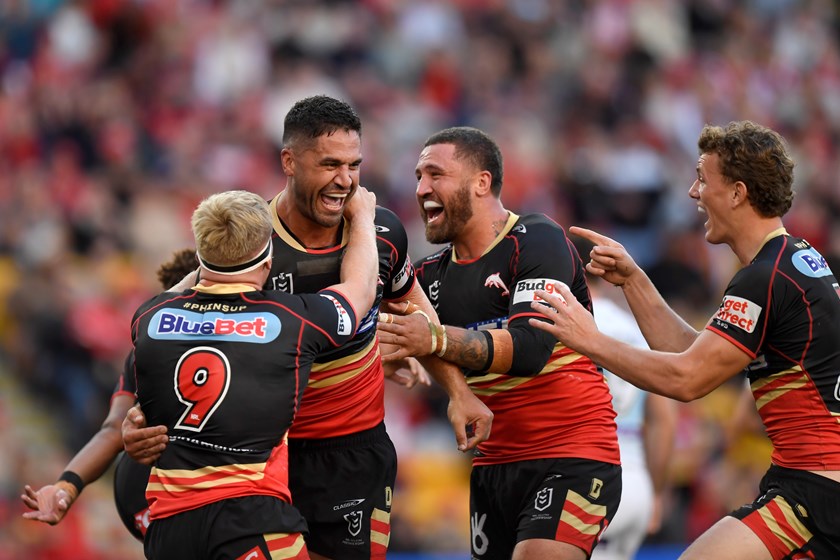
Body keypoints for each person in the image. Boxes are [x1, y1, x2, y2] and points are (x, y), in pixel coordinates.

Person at [123, 95, 493, 560]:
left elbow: (415, 309)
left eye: (354, 165)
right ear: (289, 162)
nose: (346, 180)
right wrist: (139, 417)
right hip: (268, 457)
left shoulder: (383, 231)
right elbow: (176, 323)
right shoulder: (250, 241)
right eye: (330, 164)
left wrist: (457, 392)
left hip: (354, 449)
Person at [530, 120, 840, 560]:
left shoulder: (764, 277)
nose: (694, 193)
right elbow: (693, 354)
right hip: (812, 482)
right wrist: (634, 281)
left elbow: (687, 379)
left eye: (703, 180)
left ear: (737, 193)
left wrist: (588, 339)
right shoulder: (792, 259)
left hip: (814, 491)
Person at [376, 126, 621, 560]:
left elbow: (529, 349)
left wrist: (432, 338)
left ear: (481, 182)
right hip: (493, 465)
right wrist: (429, 370)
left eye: (435, 174)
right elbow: (411, 337)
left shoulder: (536, 239)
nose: (421, 188)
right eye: (418, 177)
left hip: (573, 452)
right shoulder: (427, 276)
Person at [133, 188, 378, 559]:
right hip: (250, 518)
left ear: (201, 255)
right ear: (268, 261)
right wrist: (362, 218)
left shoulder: (148, 318)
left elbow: (174, 295)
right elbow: (360, 291)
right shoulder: (293, 319)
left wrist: (212, 259)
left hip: (169, 528)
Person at [20, 248, 198, 541]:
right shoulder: (150, 349)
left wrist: (67, 485)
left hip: (169, 490)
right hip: (158, 489)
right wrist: (67, 485)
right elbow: (114, 428)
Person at [580, 245, 677, 560]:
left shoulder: (569, 326)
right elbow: (664, 420)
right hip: (636, 479)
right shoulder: (636, 330)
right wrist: (656, 492)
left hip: (586, 477)